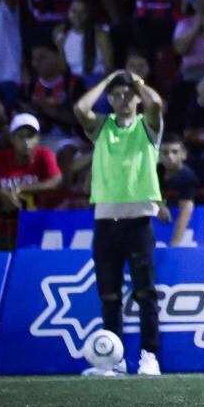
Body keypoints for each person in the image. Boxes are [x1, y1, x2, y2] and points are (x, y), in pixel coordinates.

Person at [73, 70, 165, 376]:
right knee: (109, 294)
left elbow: (157, 105)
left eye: (127, 94)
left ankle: (149, 355)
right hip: (105, 221)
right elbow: (80, 109)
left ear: (137, 96)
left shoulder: (147, 127)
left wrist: (136, 82)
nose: (121, 99)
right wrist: (107, 80)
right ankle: (113, 359)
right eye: (115, 95)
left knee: (145, 293)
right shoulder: (103, 127)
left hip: (139, 220)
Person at [0, 113, 62, 215]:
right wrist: (1, 193)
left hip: (38, 221)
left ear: (38, 139)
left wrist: (19, 189)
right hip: (3, 221)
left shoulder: (45, 155)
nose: (26, 142)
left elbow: (56, 181)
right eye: (21, 136)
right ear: (12, 139)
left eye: (31, 136)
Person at [157, 133, 198, 247]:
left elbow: (186, 210)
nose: (170, 156)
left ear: (184, 154)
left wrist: (174, 244)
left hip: (189, 227)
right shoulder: (156, 172)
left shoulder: (187, 177)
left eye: (175, 152)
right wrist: (159, 206)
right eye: (165, 152)